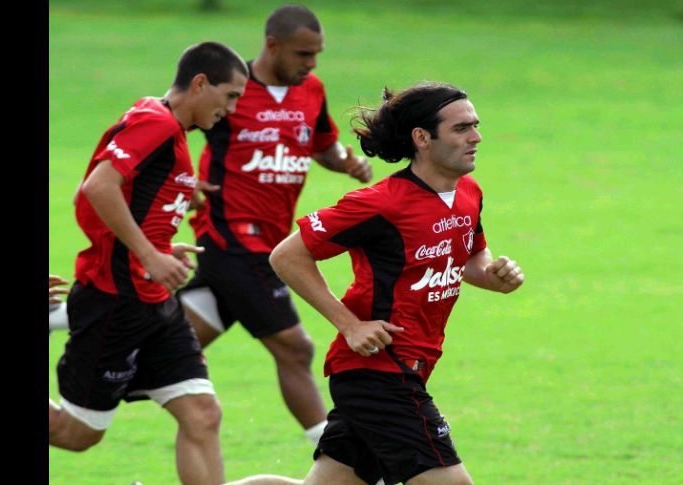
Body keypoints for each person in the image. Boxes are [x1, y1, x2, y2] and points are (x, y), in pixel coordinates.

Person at [224, 82, 525, 485]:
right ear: (422, 138)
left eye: (476, 125)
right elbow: (287, 255)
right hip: (379, 373)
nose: (476, 136)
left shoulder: (468, 193)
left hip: (407, 368)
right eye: (461, 128)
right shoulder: (381, 203)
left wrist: (493, 276)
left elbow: (471, 258)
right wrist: (349, 325)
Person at [48, 41, 249, 485]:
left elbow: (123, 196)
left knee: (202, 413)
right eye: (230, 95)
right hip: (114, 300)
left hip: (154, 301)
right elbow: (97, 188)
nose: (231, 109)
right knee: (77, 434)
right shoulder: (156, 123)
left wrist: (159, 246)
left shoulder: (164, 124)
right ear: (200, 83)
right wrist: (147, 253)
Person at [178, 3, 372, 446]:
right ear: (272, 45)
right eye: (303, 54)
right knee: (296, 348)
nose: (312, 64)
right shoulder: (232, 86)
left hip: (270, 236)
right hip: (231, 236)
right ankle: (336, 455)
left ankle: (81, 342)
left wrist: (347, 163)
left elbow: (322, 144)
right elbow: (171, 125)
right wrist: (183, 180)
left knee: (170, 346)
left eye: (317, 54)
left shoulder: (313, 89)